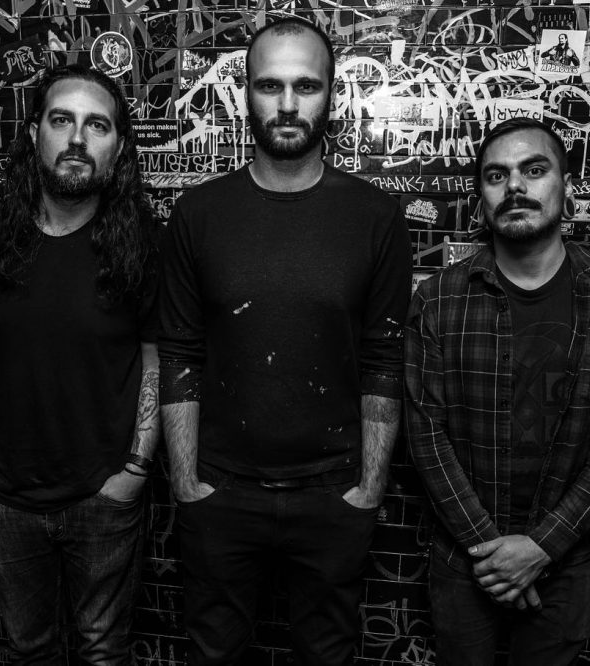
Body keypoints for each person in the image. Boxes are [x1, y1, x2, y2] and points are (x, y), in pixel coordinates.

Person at [157, 17, 412, 666]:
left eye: (307, 85)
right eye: (270, 85)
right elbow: (180, 352)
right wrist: (187, 483)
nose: (289, 103)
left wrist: (368, 489)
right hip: (220, 491)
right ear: (246, 92)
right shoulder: (198, 213)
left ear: (332, 95)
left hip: (333, 492)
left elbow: (384, 360)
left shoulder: (375, 216)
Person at [404, 117, 590, 666]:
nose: (515, 186)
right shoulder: (439, 300)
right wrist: (493, 552)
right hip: (465, 557)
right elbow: (426, 434)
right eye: (497, 176)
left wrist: (542, 547)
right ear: (481, 198)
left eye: (534, 170)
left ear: (567, 188)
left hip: (567, 560)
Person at [0, 64, 160, 665]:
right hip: (6, 498)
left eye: (97, 125)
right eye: (62, 120)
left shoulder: (143, 244)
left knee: (102, 652)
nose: (77, 139)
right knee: (28, 651)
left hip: (104, 496)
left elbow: (157, 360)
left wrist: (135, 470)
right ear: (35, 134)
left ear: (118, 147)